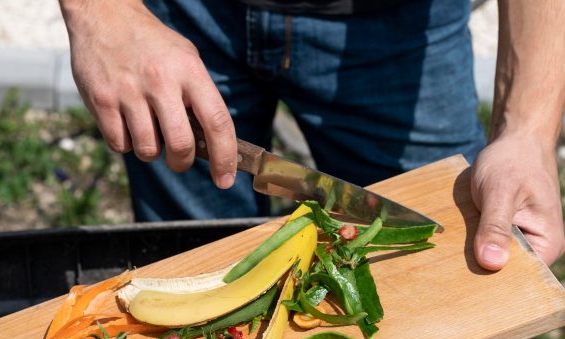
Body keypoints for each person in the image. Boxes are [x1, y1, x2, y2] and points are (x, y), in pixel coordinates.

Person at [58, 0, 565, 271]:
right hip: (172, 20)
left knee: (448, 262)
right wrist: (101, 10)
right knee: (188, 259)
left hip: (400, 26)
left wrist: (527, 129)